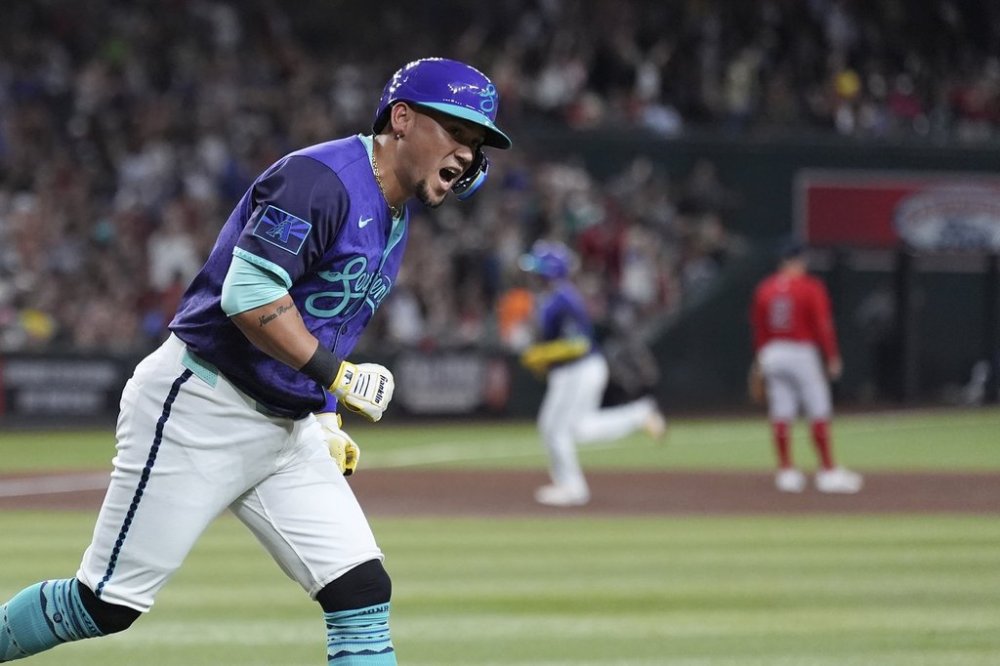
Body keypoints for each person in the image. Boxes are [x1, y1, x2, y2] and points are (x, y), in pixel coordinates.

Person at [0, 57, 511, 664]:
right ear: (401, 119)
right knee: (104, 605)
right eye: (455, 131)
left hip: (285, 426)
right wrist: (337, 378)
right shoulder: (320, 179)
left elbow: (324, 321)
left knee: (361, 593)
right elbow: (248, 295)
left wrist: (323, 412)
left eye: (476, 144)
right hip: (203, 404)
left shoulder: (396, 212)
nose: (465, 154)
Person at [518, 240, 666, 507]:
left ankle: (573, 488)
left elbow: (578, 344)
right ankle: (639, 414)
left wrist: (543, 355)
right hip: (572, 371)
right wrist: (545, 357)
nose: (533, 275)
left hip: (580, 369)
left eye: (538, 270)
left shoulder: (563, 298)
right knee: (573, 428)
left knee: (557, 430)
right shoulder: (551, 298)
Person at [749, 240, 862, 494]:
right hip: (801, 352)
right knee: (819, 409)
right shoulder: (810, 287)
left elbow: (758, 328)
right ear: (797, 261)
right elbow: (823, 324)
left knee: (781, 412)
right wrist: (831, 356)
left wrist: (760, 358)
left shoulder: (765, 288)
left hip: (772, 352)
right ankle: (828, 471)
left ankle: (786, 472)